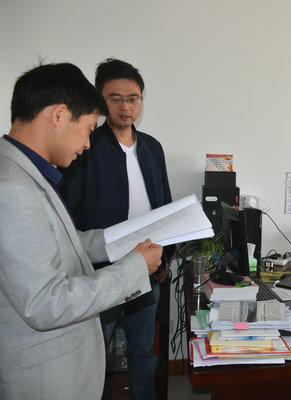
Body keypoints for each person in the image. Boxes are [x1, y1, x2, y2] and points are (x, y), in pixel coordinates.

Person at [0, 63, 163, 400]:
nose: (88, 143)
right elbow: (46, 302)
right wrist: (134, 266)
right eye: (88, 129)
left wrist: (128, 241)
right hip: (48, 377)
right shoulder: (12, 189)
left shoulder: (27, 173)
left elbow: (67, 241)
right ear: (60, 115)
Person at [59, 58, 172, 400]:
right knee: (94, 352)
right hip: (101, 273)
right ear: (101, 99)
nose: (126, 107)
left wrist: (164, 260)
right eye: (116, 98)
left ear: (141, 100)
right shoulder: (87, 146)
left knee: (144, 351)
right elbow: (69, 211)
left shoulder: (151, 147)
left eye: (133, 98)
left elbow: (165, 208)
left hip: (145, 267)